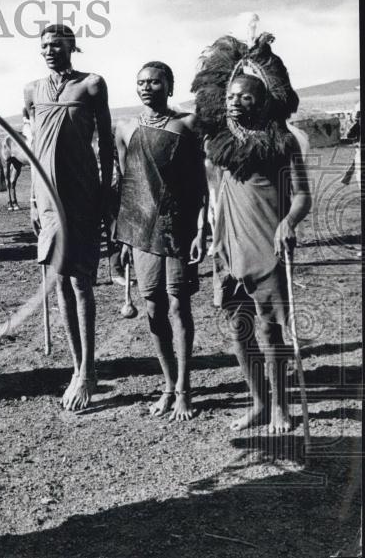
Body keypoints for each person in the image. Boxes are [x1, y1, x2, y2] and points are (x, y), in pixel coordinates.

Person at [192, 32, 310, 433]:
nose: (234, 101)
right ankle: (259, 404)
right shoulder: (218, 141)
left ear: (261, 101)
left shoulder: (283, 141)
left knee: (268, 329)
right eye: (230, 96)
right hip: (227, 244)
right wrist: (203, 230)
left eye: (244, 96)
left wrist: (288, 223)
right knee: (239, 329)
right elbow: (212, 192)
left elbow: (302, 197)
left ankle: (281, 407)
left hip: (267, 244)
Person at [24, 24, 113, 411]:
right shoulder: (31, 90)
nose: (49, 51)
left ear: (72, 47)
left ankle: (88, 372)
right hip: (46, 199)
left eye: (56, 45)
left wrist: (107, 192)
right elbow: (32, 147)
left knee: (80, 284)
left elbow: (107, 143)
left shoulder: (92, 84)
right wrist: (30, 197)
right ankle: (78, 368)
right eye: (43, 46)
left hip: (81, 194)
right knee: (57, 282)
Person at [115, 62, 208, 421]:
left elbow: (201, 185)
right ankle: (167, 387)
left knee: (178, 306)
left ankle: (185, 390)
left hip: (178, 226)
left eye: (155, 81)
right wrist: (123, 239)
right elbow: (127, 185)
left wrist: (202, 230)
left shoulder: (187, 125)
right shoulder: (125, 128)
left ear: (170, 85)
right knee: (153, 308)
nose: (147, 87)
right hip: (140, 231)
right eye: (141, 82)